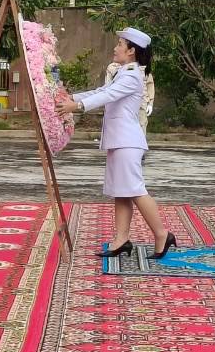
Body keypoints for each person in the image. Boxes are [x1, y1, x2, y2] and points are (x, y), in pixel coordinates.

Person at [57, 27, 175, 260]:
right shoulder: (125, 72)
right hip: (120, 141)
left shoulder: (131, 76)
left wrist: (76, 106)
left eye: (120, 44)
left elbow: (107, 96)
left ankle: (162, 234)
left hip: (127, 142)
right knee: (121, 192)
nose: (115, 48)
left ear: (131, 51)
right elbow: (102, 90)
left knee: (136, 191)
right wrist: (73, 97)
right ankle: (121, 239)